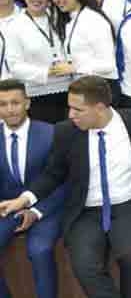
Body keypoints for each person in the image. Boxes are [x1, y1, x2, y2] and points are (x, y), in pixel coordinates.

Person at [0, 75, 131, 298]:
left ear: (99, 108)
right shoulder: (66, 132)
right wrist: (24, 199)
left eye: (77, 109)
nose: (70, 115)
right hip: (86, 211)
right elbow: (53, 174)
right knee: (84, 264)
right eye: (70, 108)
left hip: (130, 205)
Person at [0, 79, 64, 298]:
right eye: (3, 104)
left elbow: (63, 181)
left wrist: (36, 212)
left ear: (27, 103)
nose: (9, 109)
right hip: (5, 211)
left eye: (15, 103)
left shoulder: (52, 133)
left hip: (45, 209)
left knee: (40, 251)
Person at [6, 0, 72, 123]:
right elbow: (15, 67)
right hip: (37, 96)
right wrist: (47, 72)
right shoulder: (15, 26)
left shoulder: (59, 17)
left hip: (68, 91)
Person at [50, 0, 119, 84]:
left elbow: (108, 65)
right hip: (84, 88)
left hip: (101, 89)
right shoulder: (71, 20)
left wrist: (74, 68)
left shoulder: (93, 19)